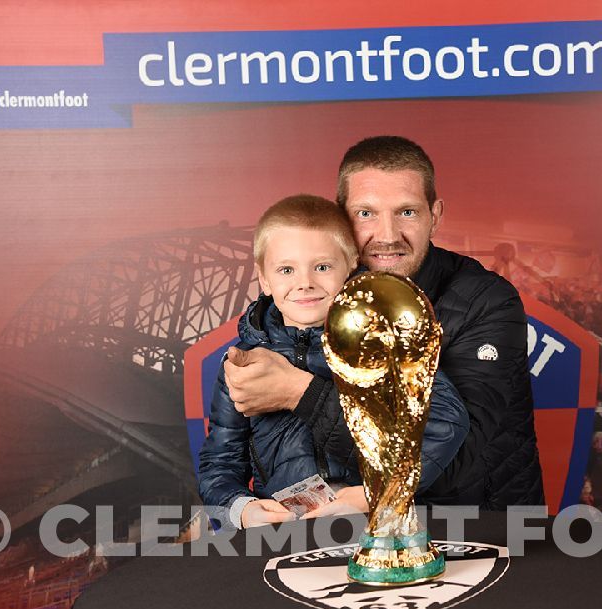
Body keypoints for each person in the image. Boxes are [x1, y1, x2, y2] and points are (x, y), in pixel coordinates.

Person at [223, 136, 543, 508]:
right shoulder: (309, 301)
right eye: (366, 214)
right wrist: (241, 508)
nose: (388, 237)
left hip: (479, 529)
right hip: (350, 535)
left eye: (407, 212)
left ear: (435, 216)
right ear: (341, 217)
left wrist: (300, 393)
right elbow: (230, 456)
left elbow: (452, 462)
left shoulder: (486, 301)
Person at [197, 194, 469, 528]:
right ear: (264, 279)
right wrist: (241, 511)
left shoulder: (383, 340)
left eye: (322, 267)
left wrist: (378, 493)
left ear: (351, 264)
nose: (305, 282)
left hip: (375, 523)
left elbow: (447, 422)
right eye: (286, 269)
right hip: (286, 534)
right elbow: (219, 463)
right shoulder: (243, 364)